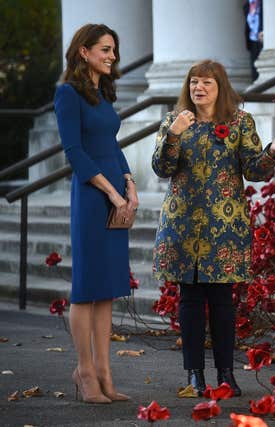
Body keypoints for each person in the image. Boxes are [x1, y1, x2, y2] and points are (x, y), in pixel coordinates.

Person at [151, 60, 275, 397]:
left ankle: (226, 375)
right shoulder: (173, 122)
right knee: (190, 300)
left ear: (220, 86)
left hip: (225, 227)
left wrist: (272, 152)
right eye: (194, 82)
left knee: (222, 302)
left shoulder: (239, 122)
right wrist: (175, 134)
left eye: (207, 82)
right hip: (184, 225)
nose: (199, 88)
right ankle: (195, 375)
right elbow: (161, 167)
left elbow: (254, 170)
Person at [54, 23, 138, 404]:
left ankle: (105, 372)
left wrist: (129, 183)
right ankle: (84, 371)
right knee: (87, 287)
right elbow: (75, 152)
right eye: (105, 49)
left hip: (115, 192)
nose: (112, 56)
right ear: (83, 51)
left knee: (106, 289)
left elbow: (110, 143)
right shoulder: (67, 94)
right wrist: (109, 191)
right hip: (91, 196)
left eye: (114, 50)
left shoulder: (102, 92)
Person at [244, 0, 263, 82]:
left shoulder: (262, 3)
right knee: (254, 69)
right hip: (252, 40)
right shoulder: (246, 5)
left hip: (262, 39)